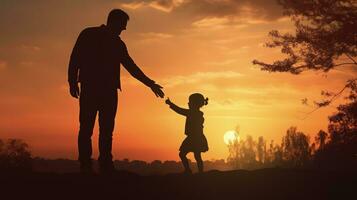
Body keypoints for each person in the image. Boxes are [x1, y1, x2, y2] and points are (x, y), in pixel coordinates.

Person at [68, 9, 164, 173]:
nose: (124, 29)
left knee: (106, 129)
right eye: (122, 26)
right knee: (86, 128)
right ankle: (85, 164)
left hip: (109, 91)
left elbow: (131, 67)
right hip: (91, 88)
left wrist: (150, 84)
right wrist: (72, 81)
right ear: (114, 22)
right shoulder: (88, 34)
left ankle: (105, 164)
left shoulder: (118, 44)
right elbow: (75, 57)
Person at [165, 93, 209, 174]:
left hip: (194, 138)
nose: (188, 103)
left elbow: (179, 110)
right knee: (196, 156)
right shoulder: (197, 114)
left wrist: (170, 104)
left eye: (190, 102)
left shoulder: (192, 113)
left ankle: (190, 170)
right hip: (197, 138)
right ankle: (199, 172)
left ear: (194, 104)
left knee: (184, 154)